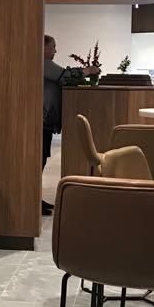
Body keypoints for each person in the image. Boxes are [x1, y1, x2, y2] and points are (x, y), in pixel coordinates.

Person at [43, 34, 98, 215]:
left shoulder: (45, 63)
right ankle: (33, 199)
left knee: (41, 159)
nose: (55, 50)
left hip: (46, 121)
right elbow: (65, 77)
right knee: (39, 160)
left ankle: (35, 198)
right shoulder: (43, 63)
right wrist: (87, 71)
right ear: (43, 47)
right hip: (42, 121)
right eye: (53, 47)